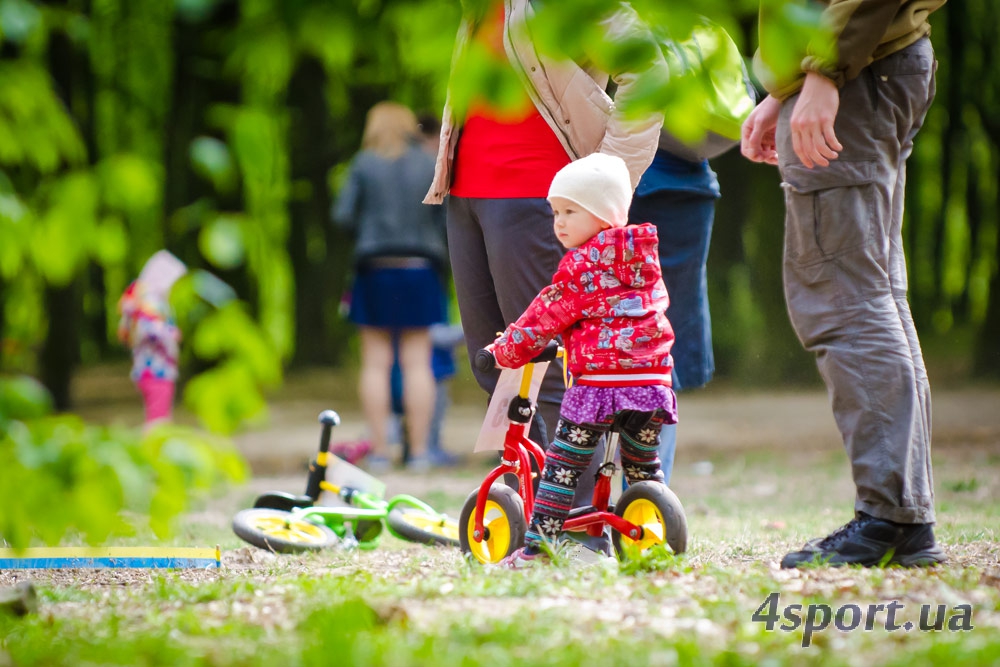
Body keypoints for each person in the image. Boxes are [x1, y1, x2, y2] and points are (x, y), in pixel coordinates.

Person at [741, 0, 946, 568]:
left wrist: (822, 73)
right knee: (874, 294)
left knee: (843, 299)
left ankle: (890, 519)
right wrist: (786, 90)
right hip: (863, 68)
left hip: (853, 72)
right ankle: (902, 515)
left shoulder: (835, 72)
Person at [423, 0, 667, 454]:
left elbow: (648, 71)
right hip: (465, 196)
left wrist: (604, 181)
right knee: (494, 362)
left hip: (538, 194)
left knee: (548, 366)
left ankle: (571, 516)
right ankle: (526, 498)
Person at [483, 154, 676, 568]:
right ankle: (656, 536)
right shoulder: (645, 260)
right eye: (555, 212)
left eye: (571, 211)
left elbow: (544, 315)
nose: (559, 222)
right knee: (643, 467)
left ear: (605, 215)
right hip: (651, 383)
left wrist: (503, 352)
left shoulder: (582, 265)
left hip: (598, 387)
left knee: (562, 468)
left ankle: (536, 550)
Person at [333, 101, 448, 473]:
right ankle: (418, 452)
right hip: (420, 269)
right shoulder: (427, 161)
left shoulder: (363, 163)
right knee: (418, 363)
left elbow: (342, 214)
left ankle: (380, 451)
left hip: (374, 270)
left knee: (375, 364)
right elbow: (445, 215)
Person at [629, 148, 720, 484]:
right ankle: (648, 485)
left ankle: (644, 486)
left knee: (646, 346)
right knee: (661, 344)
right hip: (686, 184)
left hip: (640, 185)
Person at [117, 250, 187, 427]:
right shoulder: (151, 302)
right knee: (158, 420)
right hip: (157, 369)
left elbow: (128, 331)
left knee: (157, 415)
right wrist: (170, 333)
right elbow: (147, 329)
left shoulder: (138, 298)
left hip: (148, 370)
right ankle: (154, 451)